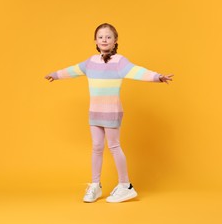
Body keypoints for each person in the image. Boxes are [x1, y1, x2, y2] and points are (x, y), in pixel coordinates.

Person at [45, 23, 173, 203]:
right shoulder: (90, 62)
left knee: (113, 147)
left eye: (108, 37)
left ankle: (125, 185)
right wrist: (56, 74)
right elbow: (74, 70)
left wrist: (157, 77)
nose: (104, 40)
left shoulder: (120, 62)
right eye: (100, 37)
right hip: (95, 112)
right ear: (95, 41)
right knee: (97, 147)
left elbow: (137, 71)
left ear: (115, 41)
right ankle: (95, 186)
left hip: (112, 112)